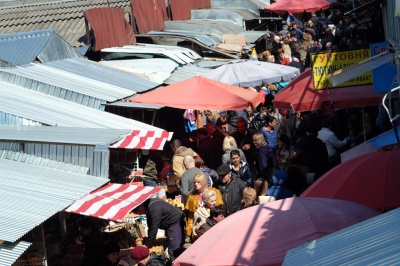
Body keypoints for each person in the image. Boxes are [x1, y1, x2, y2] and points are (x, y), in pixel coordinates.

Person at [132, 198, 183, 263]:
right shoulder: (149, 205)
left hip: (173, 223)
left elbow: (154, 226)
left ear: (140, 208)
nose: (140, 214)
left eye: (139, 213)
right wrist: (148, 239)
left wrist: (148, 244)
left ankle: (176, 263)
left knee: (173, 250)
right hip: (169, 224)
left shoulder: (153, 208)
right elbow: (150, 224)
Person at [184, 173, 223, 239]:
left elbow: (219, 210)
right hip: (200, 226)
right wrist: (191, 229)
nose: (196, 184)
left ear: (203, 182)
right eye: (195, 182)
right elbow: (190, 216)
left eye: (198, 182)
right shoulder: (192, 196)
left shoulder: (214, 192)